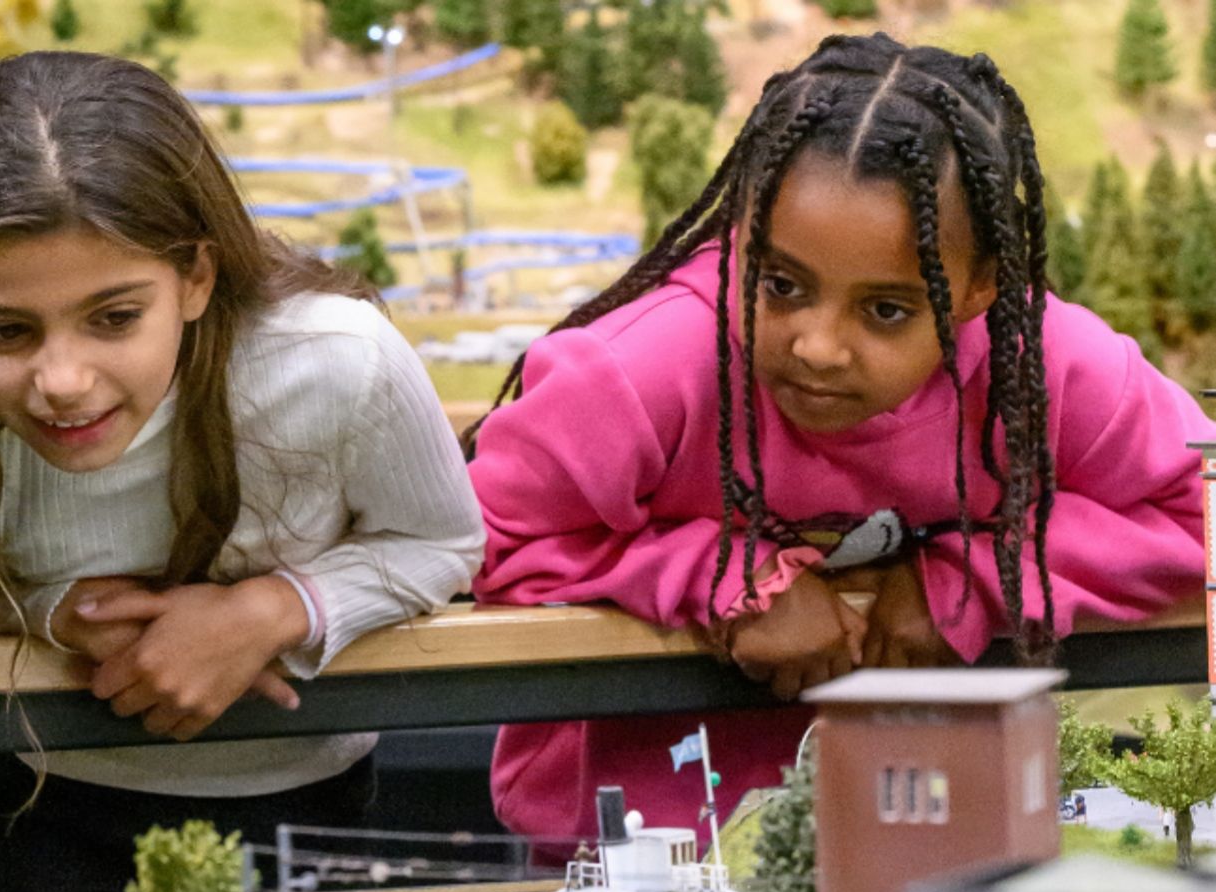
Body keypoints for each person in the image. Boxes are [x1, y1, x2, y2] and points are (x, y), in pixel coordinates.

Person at [468, 35, 1208, 848]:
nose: (818, 347)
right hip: (634, 852)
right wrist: (719, 575)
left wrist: (972, 579)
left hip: (952, 846)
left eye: (885, 309)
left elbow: (1196, 511)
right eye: (780, 285)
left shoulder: (1045, 369)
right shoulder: (635, 373)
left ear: (980, 289)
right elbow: (474, 541)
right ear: (738, 235)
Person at [0, 50, 484, 892]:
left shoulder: (339, 360)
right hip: (29, 812)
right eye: (5, 332)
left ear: (195, 277)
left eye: (113, 317)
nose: (62, 381)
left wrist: (273, 611)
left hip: (312, 813)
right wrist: (56, 613)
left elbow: (443, 539)